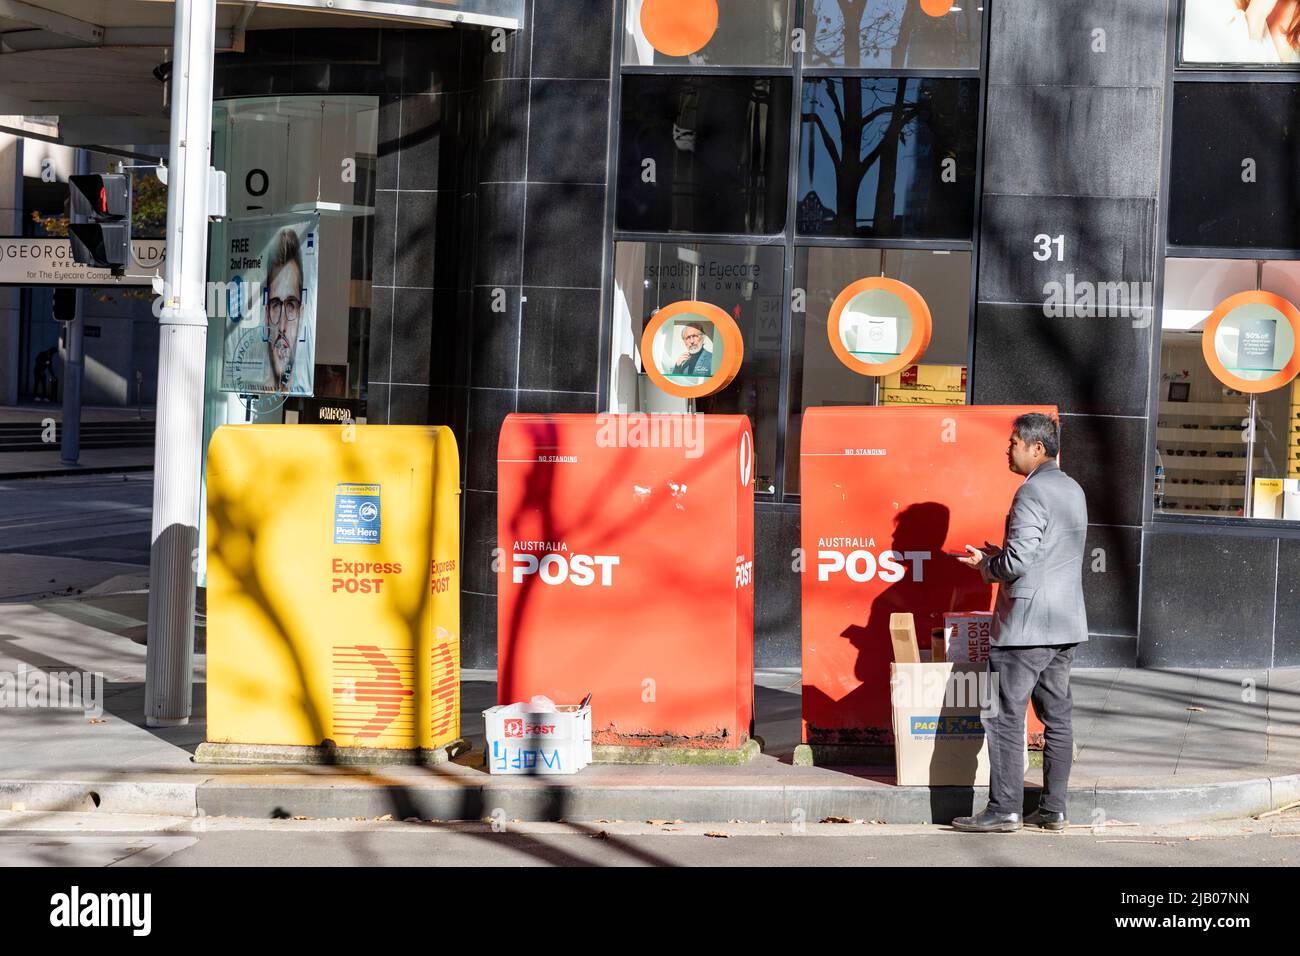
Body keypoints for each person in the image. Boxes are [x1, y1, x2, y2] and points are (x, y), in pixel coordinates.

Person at [952, 413, 1088, 833]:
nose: (1007, 449)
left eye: (1013, 443)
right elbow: (1048, 553)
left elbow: (1019, 561)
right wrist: (1004, 555)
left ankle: (1005, 809)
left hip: (1025, 630)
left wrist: (986, 564)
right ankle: (1053, 809)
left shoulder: (1030, 493)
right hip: (1065, 625)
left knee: (1003, 716)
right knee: (1058, 718)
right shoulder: (1072, 488)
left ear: (1037, 448)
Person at [262, 228, 304, 393]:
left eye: (291, 305)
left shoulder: (303, 385)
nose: (282, 326)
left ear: (303, 314)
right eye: (276, 306)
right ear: (266, 315)